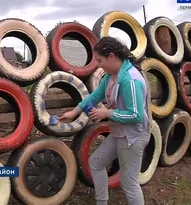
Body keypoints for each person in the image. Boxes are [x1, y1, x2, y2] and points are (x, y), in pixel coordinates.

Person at [59, 36, 151, 205]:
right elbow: (95, 96)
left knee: (129, 183)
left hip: (134, 136)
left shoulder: (130, 80)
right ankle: (101, 202)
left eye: (100, 60)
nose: (98, 64)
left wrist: (106, 114)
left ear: (111, 56)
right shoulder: (111, 76)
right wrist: (74, 112)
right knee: (95, 163)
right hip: (120, 133)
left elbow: (136, 115)